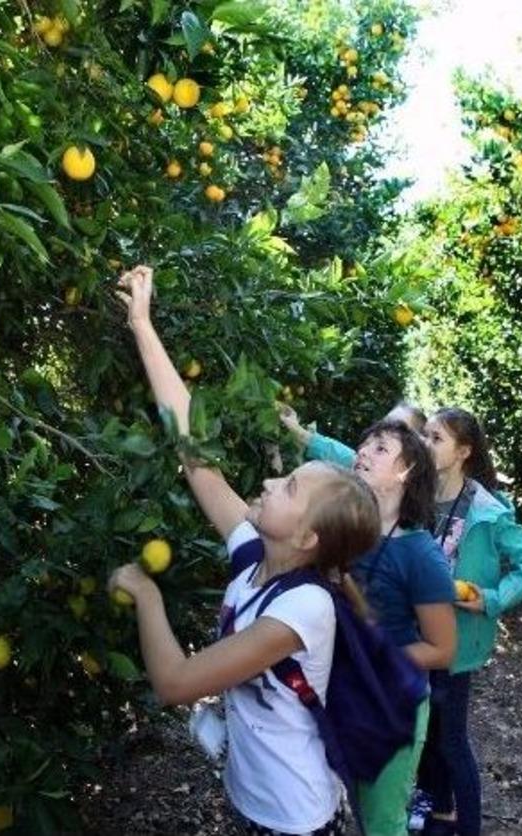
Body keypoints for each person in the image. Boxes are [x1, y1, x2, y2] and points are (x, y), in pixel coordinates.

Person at [109, 265, 381, 836]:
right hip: (253, 798)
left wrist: (146, 591)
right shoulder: (258, 551)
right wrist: (141, 323)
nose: (267, 484)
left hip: (293, 820)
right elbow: (193, 453)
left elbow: (176, 682)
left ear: (308, 537)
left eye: (288, 488)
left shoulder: (304, 608)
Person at [415, 407, 522, 836]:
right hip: (414, 635)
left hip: (454, 642)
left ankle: (467, 826)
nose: (425, 444)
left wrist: (491, 599)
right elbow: (355, 462)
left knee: (451, 742)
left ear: (463, 452)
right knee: (425, 734)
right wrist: (304, 436)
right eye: (426, 435)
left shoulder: (486, 510)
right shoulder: (416, 491)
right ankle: (441, 813)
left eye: (436, 439)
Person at [346, 420, 456, 835]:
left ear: (405, 472)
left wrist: (373, 656)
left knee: (382, 824)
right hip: (340, 695)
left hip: (392, 706)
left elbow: (441, 649)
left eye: (380, 448)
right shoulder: (345, 529)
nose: (362, 452)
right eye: (366, 443)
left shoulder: (419, 554)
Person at [280, 402, 427, 468]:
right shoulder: (359, 462)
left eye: (398, 428)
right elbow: (333, 451)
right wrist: (296, 429)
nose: (385, 430)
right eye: (385, 422)